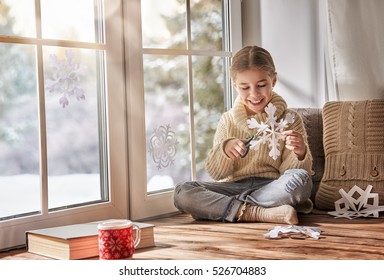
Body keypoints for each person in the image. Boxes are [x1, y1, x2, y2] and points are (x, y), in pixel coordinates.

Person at [173, 46, 314, 225]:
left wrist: (300, 153)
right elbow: (215, 173)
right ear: (234, 85)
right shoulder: (228, 120)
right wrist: (225, 150)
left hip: (272, 187)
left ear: (274, 80)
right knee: (182, 192)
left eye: (261, 85)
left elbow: (292, 173)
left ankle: (229, 209)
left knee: (301, 180)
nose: (254, 94)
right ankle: (257, 213)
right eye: (245, 87)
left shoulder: (289, 118)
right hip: (232, 188)